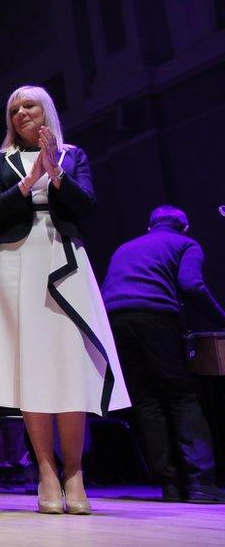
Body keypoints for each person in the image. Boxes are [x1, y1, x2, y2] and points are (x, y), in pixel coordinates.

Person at [0, 85, 131, 515]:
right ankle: (45, 469)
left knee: (68, 361)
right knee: (30, 362)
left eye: (28, 105)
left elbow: (86, 205)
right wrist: (30, 180)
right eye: (13, 108)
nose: (20, 113)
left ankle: (74, 471)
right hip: (15, 262)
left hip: (64, 255)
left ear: (46, 110)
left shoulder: (73, 154)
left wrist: (55, 171)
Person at [103, 205, 225, 503]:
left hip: (114, 320)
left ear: (150, 226)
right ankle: (200, 484)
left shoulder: (125, 247)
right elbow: (191, 285)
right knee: (181, 396)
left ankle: (169, 484)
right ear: (184, 227)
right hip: (155, 316)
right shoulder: (186, 243)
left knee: (145, 400)